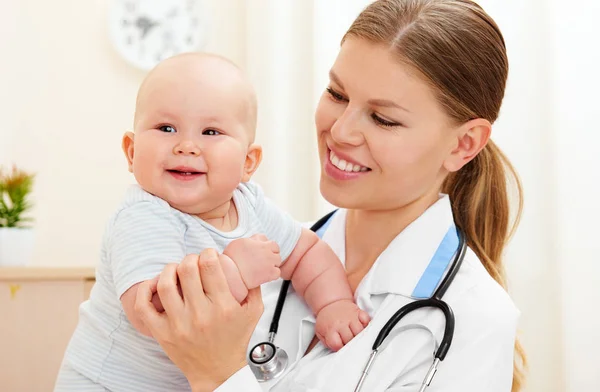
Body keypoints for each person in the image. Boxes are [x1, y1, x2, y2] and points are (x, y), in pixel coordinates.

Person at [134, 0, 528, 391]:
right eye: (337, 94)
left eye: (383, 118)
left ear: (463, 144)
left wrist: (218, 375)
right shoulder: (263, 252)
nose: (340, 131)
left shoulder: (474, 321)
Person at [53, 53, 369, 391]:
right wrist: (234, 271)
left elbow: (307, 255)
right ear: (131, 152)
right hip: (107, 384)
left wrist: (334, 304)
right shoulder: (144, 216)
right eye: (166, 128)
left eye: (210, 131)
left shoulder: (250, 204)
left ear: (248, 162)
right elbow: (155, 312)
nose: (186, 146)